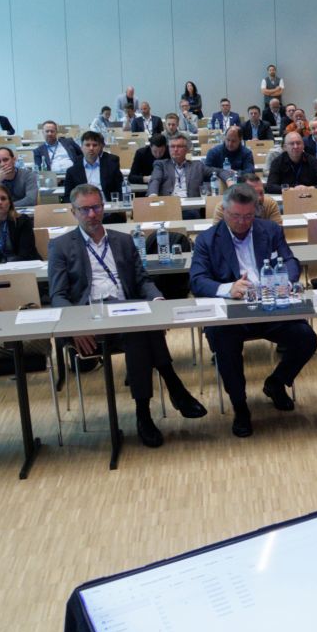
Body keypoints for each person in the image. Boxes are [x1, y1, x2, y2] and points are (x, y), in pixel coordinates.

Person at [48, 185, 206, 448]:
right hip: (91, 319)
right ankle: (171, 388)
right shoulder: (61, 246)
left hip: (128, 310)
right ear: (73, 212)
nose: (91, 214)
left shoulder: (122, 240)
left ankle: (144, 412)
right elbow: (58, 295)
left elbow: (142, 281)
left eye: (96, 207)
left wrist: (156, 300)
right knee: (141, 330)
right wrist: (74, 326)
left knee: (140, 327)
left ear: (103, 207)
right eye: (84, 209)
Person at [188, 184, 317, 437]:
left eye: (248, 216)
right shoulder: (207, 239)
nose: (242, 222)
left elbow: (290, 261)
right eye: (236, 216)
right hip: (232, 310)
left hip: (270, 304)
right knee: (224, 345)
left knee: (306, 338)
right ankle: (240, 406)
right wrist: (228, 288)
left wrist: (286, 281)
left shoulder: (268, 230)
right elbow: (197, 280)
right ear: (224, 212)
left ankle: (276, 383)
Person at [0, 183, 38, 264]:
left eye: (3, 198)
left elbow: (25, 254)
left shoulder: (22, 221)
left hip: (22, 267)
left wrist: (5, 265)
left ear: (9, 203)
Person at [62, 132, 125, 200]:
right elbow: (67, 196)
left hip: (107, 205)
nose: (91, 148)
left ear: (100, 147)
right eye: (87, 145)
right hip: (83, 207)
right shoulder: (72, 171)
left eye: (95, 145)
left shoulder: (111, 167)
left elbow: (120, 189)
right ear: (81, 147)